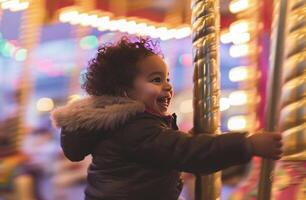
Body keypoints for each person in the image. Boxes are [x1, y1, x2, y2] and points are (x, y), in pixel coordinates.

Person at [51, 37, 282, 200]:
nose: (168, 86)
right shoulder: (134, 128)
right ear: (124, 91)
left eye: (167, 78)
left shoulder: (123, 126)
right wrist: (248, 145)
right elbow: (188, 152)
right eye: (156, 80)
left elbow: (170, 150)